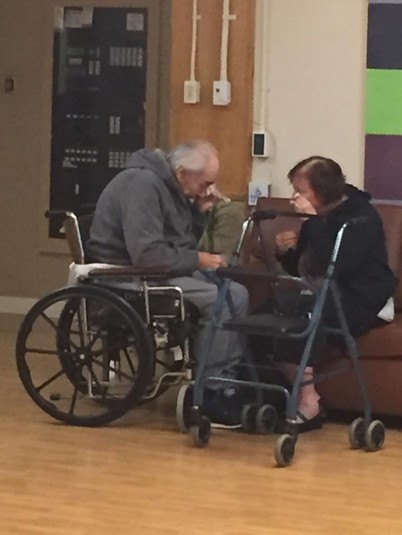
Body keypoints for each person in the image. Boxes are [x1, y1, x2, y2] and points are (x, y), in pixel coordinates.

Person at [86, 140, 249, 428]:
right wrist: (198, 259)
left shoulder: (170, 186)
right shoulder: (143, 185)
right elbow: (148, 256)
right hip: (126, 277)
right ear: (183, 173)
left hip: (152, 271)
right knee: (220, 299)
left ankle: (223, 381)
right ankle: (211, 390)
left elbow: (178, 243)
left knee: (237, 292)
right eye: (206, 182)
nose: (209, 189)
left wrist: (198, 213)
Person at [251, 156, 397, 432]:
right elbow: (307, 267)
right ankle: (266, 396)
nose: (294, 198)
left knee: (301, 318)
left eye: (300, 191)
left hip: (360, 297)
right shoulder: (316, 217)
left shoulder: (360, 217)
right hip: (319, 293)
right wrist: (286, 253)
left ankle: (310, 403)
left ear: (324, 190)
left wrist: (314, 222)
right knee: (263, 317)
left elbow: (337, 267)